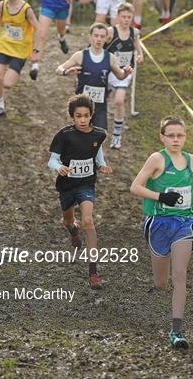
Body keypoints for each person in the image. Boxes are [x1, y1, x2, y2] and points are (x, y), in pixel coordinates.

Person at [130, 116, 193, 349]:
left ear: (185, 137)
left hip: (183, 224)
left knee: (180, 275)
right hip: (158, 223)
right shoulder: (157, 159)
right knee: (161, 283)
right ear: (162, 137)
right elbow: (135, 186)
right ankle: (159, 286)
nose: (176, 140)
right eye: (171, 135)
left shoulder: (190, 160)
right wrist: (161, 197)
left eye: (180, 135)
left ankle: (176, 331)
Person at [48, 94, 113, 289]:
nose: (83, 120)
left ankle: (93, 272)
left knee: (88, 220)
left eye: (86, 115)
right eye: (78, 116)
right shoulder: (64, 134)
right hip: (67, 185)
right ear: (72, 117)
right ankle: (72, 229)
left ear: (92, 115)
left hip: (86, 184)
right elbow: (51, 159)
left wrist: (101, 165)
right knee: (68, 220)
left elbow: (96, 151)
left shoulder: (98, 134)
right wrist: (58, 167)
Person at [56, 22, 132, 130]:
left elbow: (120, 76)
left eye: (102, 36)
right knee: (81, 136)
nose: (99, 39)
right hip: (81, 105)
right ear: (90, 37)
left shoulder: (110, 58)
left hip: (100, 105)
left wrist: (126, 72)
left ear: (106, 38)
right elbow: (59, 69)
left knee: (100, 134)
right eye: (96, 36)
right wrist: (66, 72)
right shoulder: (80, 55)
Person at [104, 2, 144, 149]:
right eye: (123, 17)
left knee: (119, 101)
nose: (126, 19)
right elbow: (98, 47)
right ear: (118, 17)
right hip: (109, 71)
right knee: (98, 101)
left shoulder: (134, 32)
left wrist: (140, 56)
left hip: (125, 71)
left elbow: (138, 48)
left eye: (129, 17)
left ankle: (116, 134)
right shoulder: (110, 31)